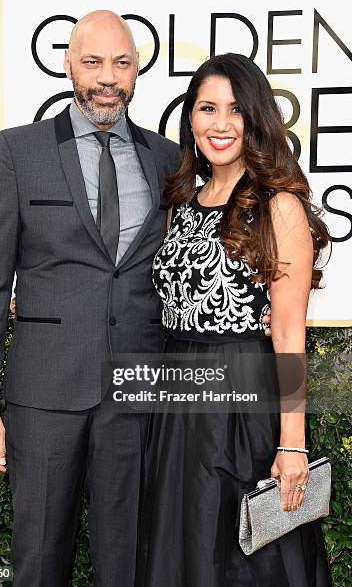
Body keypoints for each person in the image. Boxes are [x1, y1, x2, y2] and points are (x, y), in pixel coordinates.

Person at [0, 10, 182, 587]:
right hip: (44, 395)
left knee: (129, 564)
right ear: (67, 65)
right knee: (37, 561)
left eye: (122, 63)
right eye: (93, 62)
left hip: (138, 399)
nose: (108, 77)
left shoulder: (168, 161)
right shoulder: (17, 151)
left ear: (138, 69)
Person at [136, 53, 332, 586]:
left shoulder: (279, 207)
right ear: (190, 119)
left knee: (244, 558)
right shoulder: (182, 201)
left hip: (242, 407)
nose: (220, 124)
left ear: (256, 118)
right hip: (177, 402)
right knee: (180, 550)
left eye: (235, 110)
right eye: (207, 109)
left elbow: (290, 334)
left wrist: (292, 443)